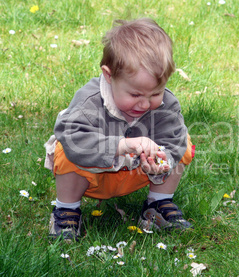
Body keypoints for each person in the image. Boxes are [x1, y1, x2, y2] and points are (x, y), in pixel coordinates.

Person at [45, 18, 194, 242]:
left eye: (155, 94)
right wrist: (120, 146)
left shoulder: (167, 106)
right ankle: (66, 211)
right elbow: (73, 137)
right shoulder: (90, 102)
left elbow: (172, 140)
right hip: (91, 173)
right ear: (108, 75)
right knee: (64, 148)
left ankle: (157, 204)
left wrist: (161, 162)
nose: (144, 104)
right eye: (135, 95)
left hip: (137, 172)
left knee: (183, 141)